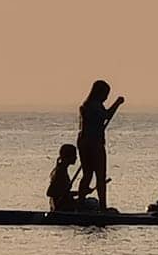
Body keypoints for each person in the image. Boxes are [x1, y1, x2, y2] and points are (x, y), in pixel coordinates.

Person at [77, 80, 125, 210]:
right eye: (105, 94)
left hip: (83, 141)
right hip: (94, 143)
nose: (106, 97)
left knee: (87, 174)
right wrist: (117, 103)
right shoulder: (94, 105)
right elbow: (107, 116)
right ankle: (102, 207)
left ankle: (81, 204)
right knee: (99, 175)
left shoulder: (87, 105)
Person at [46, 144, 81, 211]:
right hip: (63, 206)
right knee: (92, 203)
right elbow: (50, 192)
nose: (76, 158)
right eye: (74, 155)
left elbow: (65, 192)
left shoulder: (63, 170)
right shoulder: (61, 172)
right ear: (68, 157)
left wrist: (80, 193)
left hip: (66, 204)